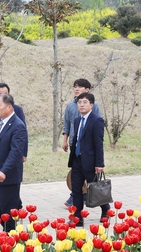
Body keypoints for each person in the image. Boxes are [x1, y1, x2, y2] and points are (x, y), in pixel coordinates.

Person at [0, 94, 27, 232]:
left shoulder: (18, 126)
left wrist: (4, 171)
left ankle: (12, 240)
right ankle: (8, 226)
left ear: (9, 107)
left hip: (7, 176)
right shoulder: (0, 121)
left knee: (8, 210)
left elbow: (15, 152)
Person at [68, 92, 109, 227]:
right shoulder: (77, 120)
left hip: (90, 162)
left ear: (91, 104)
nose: (81, 105)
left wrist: (99, 163)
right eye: (79, 102)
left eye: (85, 102)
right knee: (76, 190)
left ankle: (105, 209)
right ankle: (77, 218)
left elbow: (98, 143)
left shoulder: (96, 120)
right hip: (77, 160)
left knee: (95, 188)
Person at [62, 78, 101, 208]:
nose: (76, 89)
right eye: (75, 86)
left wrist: (99, 163)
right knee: (76, 181)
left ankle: (104, 207)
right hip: (76, 149)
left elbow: (98, 140)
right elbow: (67, 124)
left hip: (89, 151)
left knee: (93, 183)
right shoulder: (72, 110)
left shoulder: (94, 111)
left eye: (80, 86)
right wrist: (65, 140)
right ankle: (77, 214)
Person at [0, 83, 28, 163]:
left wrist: (24, 152)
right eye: (0, 94)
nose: (3, 97)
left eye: (6, 94)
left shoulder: (17, 110)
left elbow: (23, 133)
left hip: (10, 149)